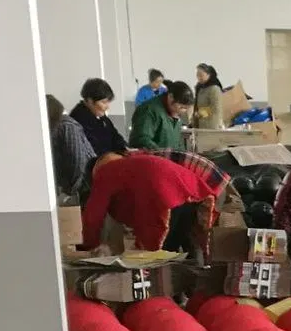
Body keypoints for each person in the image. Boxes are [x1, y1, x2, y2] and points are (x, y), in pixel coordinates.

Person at [79, 150, 220, 253]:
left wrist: (88, 246)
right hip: (191, 192)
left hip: (165, 196)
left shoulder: (103, 173)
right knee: (186, 244)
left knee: (162, 255)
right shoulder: (136, 160)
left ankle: (169, 291)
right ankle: (193, 289)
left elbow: (93, 215)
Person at [47, 94, 96, 201]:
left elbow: (78, 160)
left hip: (85, 184)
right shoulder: (63, 126)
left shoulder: (67, 126)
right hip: (80, 183)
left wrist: (70, 192)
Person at [72, 77, 128, 159]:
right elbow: (94, 152)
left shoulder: (101, 117)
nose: (107, 107)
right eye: (104, 102)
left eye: (108, 102)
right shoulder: (78, 120)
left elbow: (116, 137)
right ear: (90, 101)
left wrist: (125, 149)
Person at [131, 79, 192, 151]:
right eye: (181, 107)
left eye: (186, 108)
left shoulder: (175, 112)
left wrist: (182, 156)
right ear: (170, 97)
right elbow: (141, 140)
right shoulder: (149, 110)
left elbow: (178, 143)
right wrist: (163, 154)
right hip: (152, 160)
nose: (183, 111)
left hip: (168, 160)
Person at [193, 64, 225, 130]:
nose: (199, 77)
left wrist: (200, 113)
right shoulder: (200, 88)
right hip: (201, 124)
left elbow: (215, 108)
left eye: (201, 75)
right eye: (197, 75)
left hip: (212, 125)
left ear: (208, 75)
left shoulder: (214, 89)